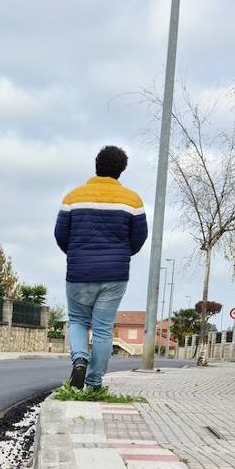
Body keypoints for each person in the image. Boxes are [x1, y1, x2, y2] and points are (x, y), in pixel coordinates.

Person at [54, 145, 148, 390]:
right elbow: (139, 238)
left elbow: (60, 235)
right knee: (103, 329)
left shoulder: (73, 197)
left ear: (96, 165)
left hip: (79, 272)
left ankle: (79, 360)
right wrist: (121, 254)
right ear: (121, 171)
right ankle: (94, 382)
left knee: (77, 321)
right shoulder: (133, 200)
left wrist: (76, 253)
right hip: (115, 275)